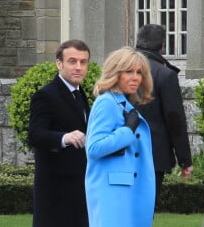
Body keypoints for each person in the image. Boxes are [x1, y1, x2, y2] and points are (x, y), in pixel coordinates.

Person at [85, 46, 156, 227]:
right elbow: (93, 148)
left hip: (127, 189)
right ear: (115, 73)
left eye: (139, 72)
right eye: (129, 71)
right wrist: (127, 130)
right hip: (113, 192)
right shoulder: (107, 102)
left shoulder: (122, 103)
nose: (135, 78)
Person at [28, 39, 90, 227]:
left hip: (79, 184)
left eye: (83, 62)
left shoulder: (81, 94)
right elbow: (35, 134)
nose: (78, 67)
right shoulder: (45, 95)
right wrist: (65, 137)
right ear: (59, 63)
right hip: (55, 187)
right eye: (72, 61)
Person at [135, 24, 193, 201]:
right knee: (146, 209)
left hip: (123, 150)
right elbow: (174, 119)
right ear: (162, 46)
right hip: (154, 153)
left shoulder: (121, 69)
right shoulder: (165, 74)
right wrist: (185, 160)